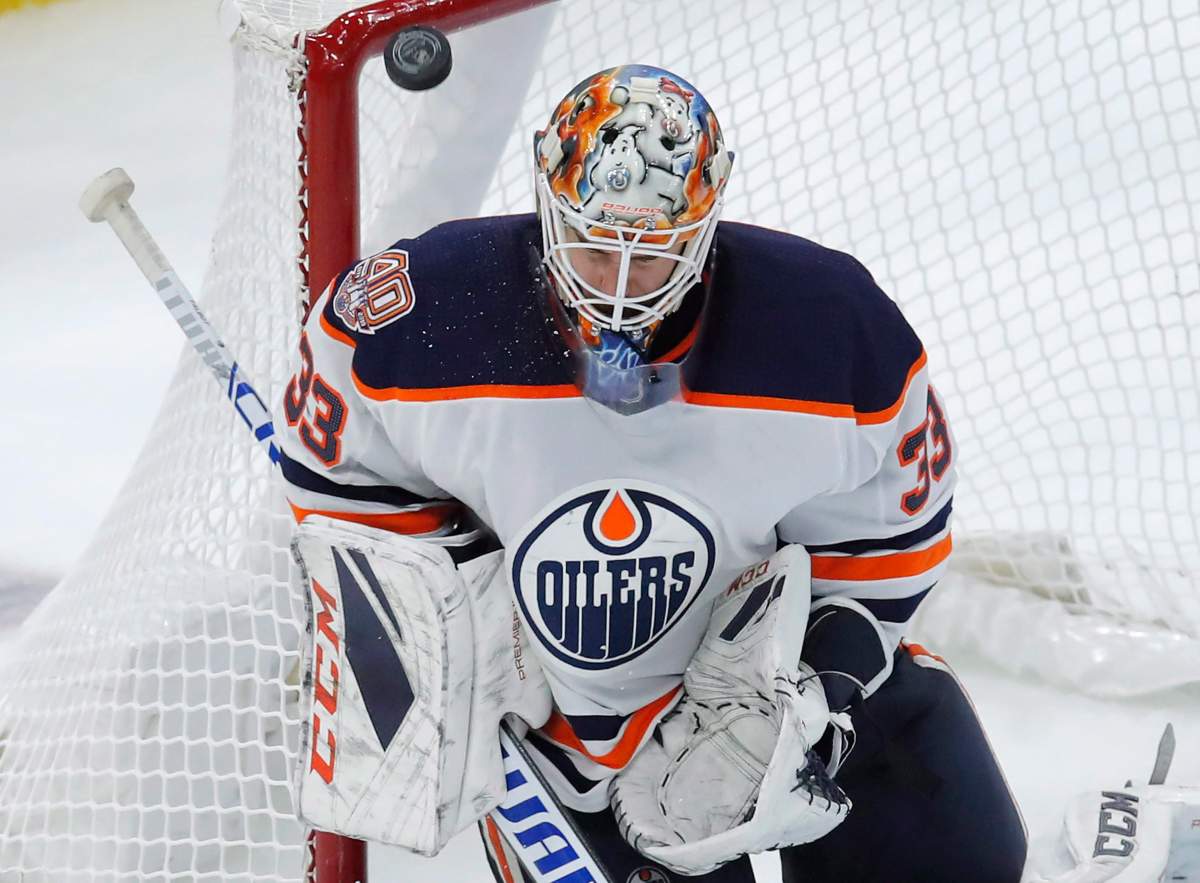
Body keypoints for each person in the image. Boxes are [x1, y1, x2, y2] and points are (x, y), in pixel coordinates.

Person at [277, 64, 1027, 882]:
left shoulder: (828, 325)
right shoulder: (422, 314)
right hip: (567, 737)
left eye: (655, 252)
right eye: (598, 249)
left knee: (963, 860)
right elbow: (338, 482)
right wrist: (445, 616)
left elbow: (888, 543)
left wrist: (813, 690)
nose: (624, 289)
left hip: (763, 683)